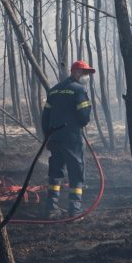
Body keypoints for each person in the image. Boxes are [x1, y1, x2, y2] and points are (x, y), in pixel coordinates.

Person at [41, 60, 95, 217]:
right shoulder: (79, 90)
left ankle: (51, 208)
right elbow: (84, 117)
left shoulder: (54, 90)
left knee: (55, 173)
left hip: (54, 138)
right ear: (76, 72)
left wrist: (48, 136)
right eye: (85, 73)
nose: (87, 77)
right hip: (72, 139)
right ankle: (75, 210)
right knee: (76, 173)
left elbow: (45, 117)